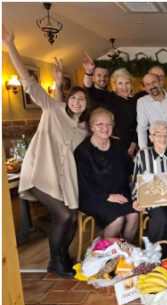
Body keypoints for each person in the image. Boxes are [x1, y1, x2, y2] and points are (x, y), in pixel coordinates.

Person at [4, 25, 89, 277]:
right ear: (68, 99)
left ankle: (63, 256)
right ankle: (55, 261)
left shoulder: (84, 129)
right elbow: (29, 84)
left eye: (82, 99)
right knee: (63, 215)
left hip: (64, 180)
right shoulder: (52, 110)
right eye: (74, 97)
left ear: (86, 105)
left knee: (72, 216)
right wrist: (10, 45)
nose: (77, 102)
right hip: (41, 173)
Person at [75, 107, 139, 242]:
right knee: (117, 219)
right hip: (93, 196)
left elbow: (131, 168)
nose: (105, 128)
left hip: (120, 193)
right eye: (100, 124)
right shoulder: (83, 151)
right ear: (91, 127)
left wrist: (144, 163)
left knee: (133, 215)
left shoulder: (118, 145)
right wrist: (108, 196)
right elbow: (84, 183)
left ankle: (126, 250)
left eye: (109, 124)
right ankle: (106, 252)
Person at [132, 120, 167, 247]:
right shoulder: (142, 155)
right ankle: (155, 253)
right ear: (151, 137)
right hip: (153, 199)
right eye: (158, 135)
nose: (163, 139)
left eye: (166, 135)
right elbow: (136, 180)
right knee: (160, 218)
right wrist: (137, 199)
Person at [81, 56, 139, 157]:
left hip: (130, 148)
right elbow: (88, 89)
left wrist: (132, 146)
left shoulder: (135, 102)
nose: (124, 87)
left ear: (131, 84)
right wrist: (89, 72)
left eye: (127, 83)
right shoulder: (108, 97)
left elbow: (137, 125)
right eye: (120, 83)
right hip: (111, 147)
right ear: (115, 85)